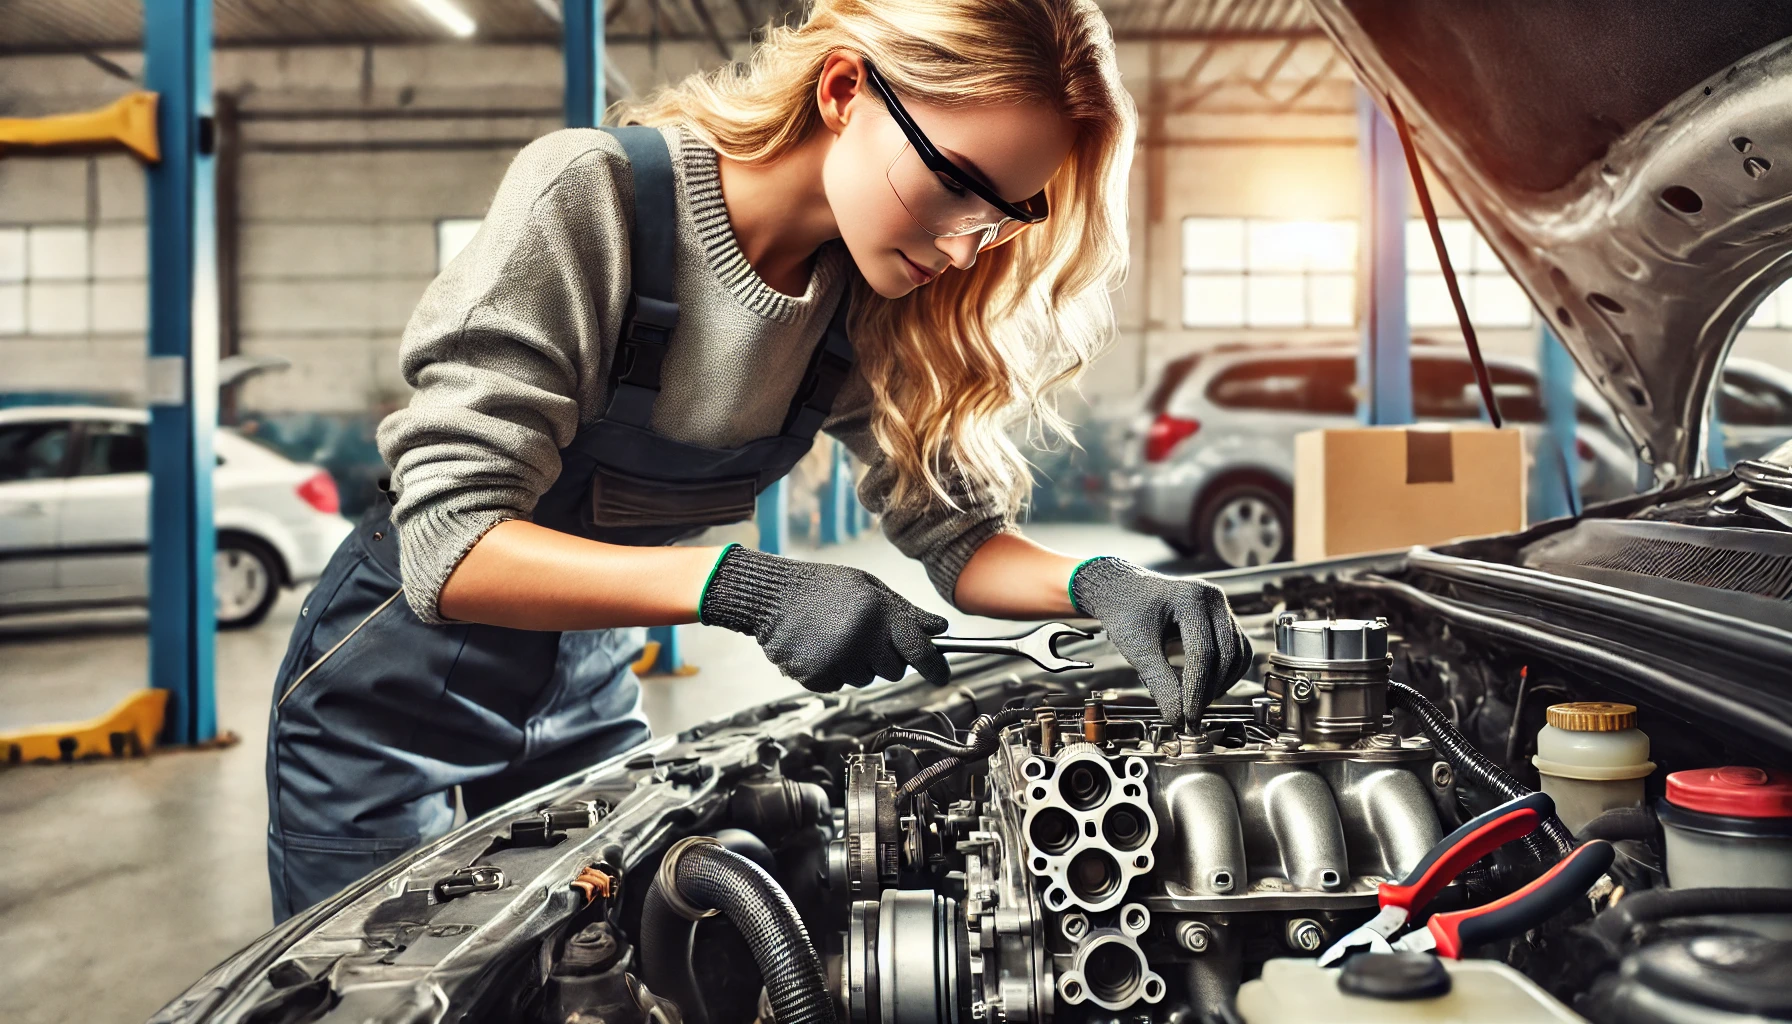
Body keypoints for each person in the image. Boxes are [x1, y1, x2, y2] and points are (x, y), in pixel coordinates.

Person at [264, 0, 1250, 922]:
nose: (963, 245)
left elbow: (958, 543)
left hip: (585, 692)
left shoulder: (868, 299)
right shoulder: (595, 195)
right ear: (842, 91)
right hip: (388, 702)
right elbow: (450, 549)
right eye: (953, 181)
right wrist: (746, 587)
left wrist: (1103, 582)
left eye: (1002, 213)